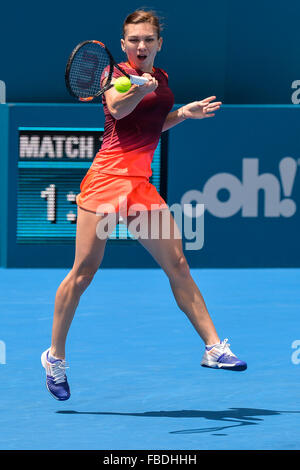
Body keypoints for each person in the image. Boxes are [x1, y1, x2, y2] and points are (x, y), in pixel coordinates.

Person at [41, 9, 247, 401]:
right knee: (83, 273)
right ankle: (54, 357)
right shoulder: (113, 76)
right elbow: (118, 110)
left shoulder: (161, 77)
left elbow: (153, 124)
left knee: (178, 264)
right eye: (134, 39)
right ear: (122, 44)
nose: (141, 46)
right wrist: (139, 87)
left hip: (139, 186)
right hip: (105, 181)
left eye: (148, 40)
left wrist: (184, 113)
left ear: (158, 44)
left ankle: (213, 347)